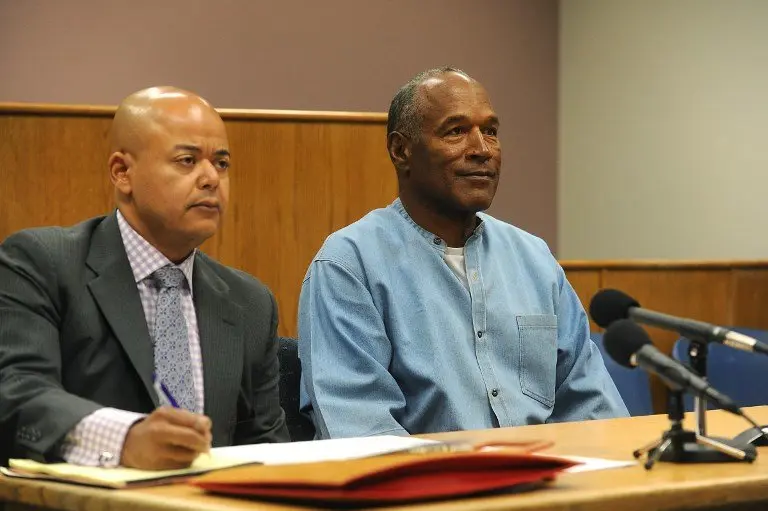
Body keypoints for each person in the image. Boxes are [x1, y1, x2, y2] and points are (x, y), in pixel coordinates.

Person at [298, 67, 628, 439]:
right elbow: (361, 430)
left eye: (490, 131)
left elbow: (594, 409)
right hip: (428, 491)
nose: (482, 150)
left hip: (546, 488)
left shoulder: (534, 260)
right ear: (400, 150)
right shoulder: (348, 264)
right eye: (456, 131)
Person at [0, 87, 288, 469]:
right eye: (187, 160)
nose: (211, 179)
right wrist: (125, 440)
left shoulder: (250, 301)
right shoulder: (42, 263)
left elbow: (266, 447)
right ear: (122, 173)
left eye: (221, 163)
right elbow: (18, 391)